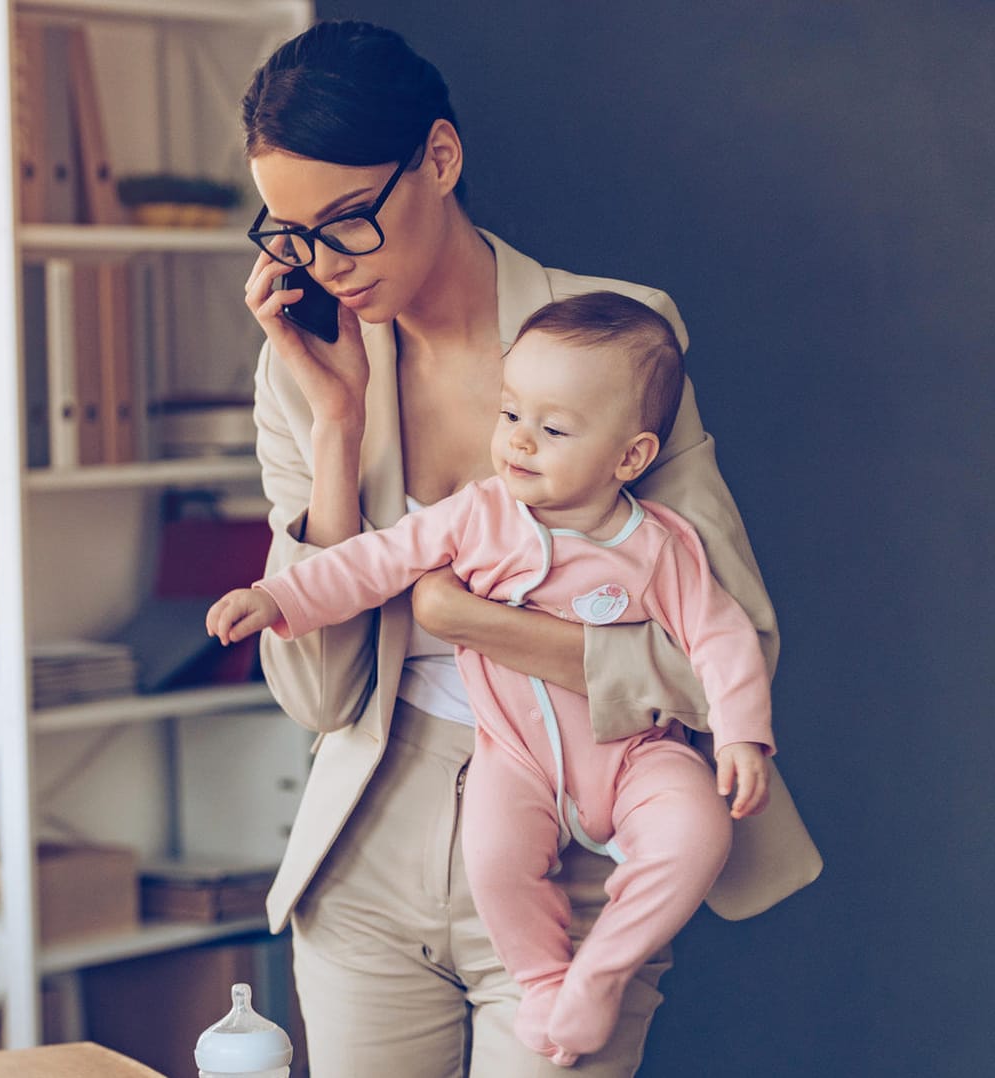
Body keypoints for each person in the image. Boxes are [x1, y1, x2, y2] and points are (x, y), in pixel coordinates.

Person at [236, 20, 823, 1077]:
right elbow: (319, 698)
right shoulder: (302, 372)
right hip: (368, 850)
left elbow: (725, 652)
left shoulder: (618, 340)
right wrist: (335, 428)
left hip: (582, 846)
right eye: (288, 233)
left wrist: (478, 625)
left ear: (441, 160)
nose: (321, 265)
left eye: (347, 222)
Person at [211, 292, 772, 1066]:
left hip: (636, 754)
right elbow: (374, 563)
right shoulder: (477, 514)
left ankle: (598, 973)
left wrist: (742, 735)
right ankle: (543, 979)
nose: (518, 443)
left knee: (699, 830)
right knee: (496, 852)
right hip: (512, 759)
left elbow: (723, 637)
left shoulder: (659, 544)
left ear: (631, 457)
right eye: (510, 415)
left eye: (554, 429)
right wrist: (277, 597)